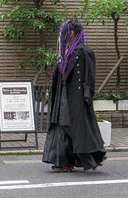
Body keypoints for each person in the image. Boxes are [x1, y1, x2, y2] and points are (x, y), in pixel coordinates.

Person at [42, 18, 106, 172]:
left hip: (76, 96)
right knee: (61, 124)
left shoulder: (84, 51)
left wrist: (87, 93)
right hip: (63, 93)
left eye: (68, 31)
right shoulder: (64, 51)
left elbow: (89, 76)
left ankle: (92, 157)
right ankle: (65, 161)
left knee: (73, 126)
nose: (65, 34)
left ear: (74, 32)